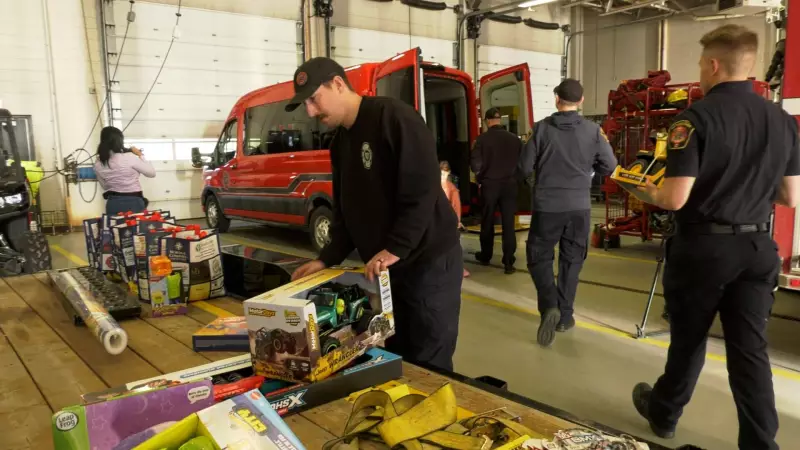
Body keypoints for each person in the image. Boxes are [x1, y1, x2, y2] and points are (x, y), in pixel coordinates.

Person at [632, 25, 799, 450]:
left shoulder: (694, 120)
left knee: (689, 343)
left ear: (712, 64)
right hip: (758, 249)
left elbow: (674, 197)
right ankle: (761, 445)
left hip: (704, 250)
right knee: (750, 353)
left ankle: (665, 414)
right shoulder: (782, 120)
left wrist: (639, 186)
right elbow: (790, 196)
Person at [287, 57, 463, 371]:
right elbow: (346, 212)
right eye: (306, 105)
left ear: (338, 84)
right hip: (386, 269)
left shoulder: (393, 118)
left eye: (314, 99)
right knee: (397, 349)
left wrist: (396, 246)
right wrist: (325, 258)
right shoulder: (340, 143)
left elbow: (421, 191)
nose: (311, 112)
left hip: (427, 264)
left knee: (428, 355)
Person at [518, 79, 616, 347]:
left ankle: (549, 305)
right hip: (579, 208)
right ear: (581, 101)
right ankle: (565, 316)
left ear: (556, 99)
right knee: (572, 261)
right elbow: (610, 165)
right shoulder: (593, 131)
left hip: (547, 205)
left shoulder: (540, 130)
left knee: (538, 257)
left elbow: (524, 167)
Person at [471, 107, 522, 274]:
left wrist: (480, 179)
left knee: (487, 221)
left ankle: (486, 255)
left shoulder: (482, 140)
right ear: (500, 120)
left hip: (490, 186)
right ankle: (508, 261)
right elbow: (523, 164)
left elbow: (475, 165)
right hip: (509, 185)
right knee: (508, 223)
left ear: (487, 121)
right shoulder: (515, 139)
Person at [94, 126, 155, 216]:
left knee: (115, 229)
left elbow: (105, 186)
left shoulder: (98, 163)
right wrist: (140, 154)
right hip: (133, 203)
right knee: (135, 229)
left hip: (112, 204)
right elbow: (151, 173)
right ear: (119, 141)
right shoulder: (128, 157)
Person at [440, 161, 469, 278]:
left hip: (448, 222)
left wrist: (457, 221)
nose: (442, 177)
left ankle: (457, 267)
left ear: (448, 174)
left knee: (453, 246)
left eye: (444, 174)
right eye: (441, 174)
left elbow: (456, 207)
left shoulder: (452, 190)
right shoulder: (433, 187)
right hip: (437, 222)